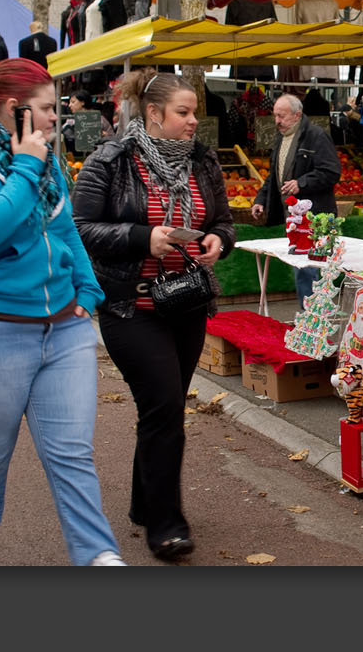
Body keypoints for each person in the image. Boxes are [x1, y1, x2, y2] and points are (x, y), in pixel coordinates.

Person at [0, 57, 125, 566]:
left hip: (63, 330)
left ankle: (97, 554)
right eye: (43, 108)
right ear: (11, 110)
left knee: (72, 453)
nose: (54, 117)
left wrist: (87, 292)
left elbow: (62, 230)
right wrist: (26, 165)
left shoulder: (46, 161)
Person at [73, 70, 237, 560]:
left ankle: (147, 504)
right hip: (130, 306)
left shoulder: (204, 162)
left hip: (185, 301)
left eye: (194, 113)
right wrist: (142, 238)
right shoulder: (112, 159)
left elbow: (224, 221)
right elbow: (80, 227)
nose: (192, 123)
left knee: (162, 409)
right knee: (164, 405)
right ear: (153, 113)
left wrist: (217, 242)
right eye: (183, 113)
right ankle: (167, 525)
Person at [249, 92, 341, 303]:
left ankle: (313, 319)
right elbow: (275, 175)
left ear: (297, 115)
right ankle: (310, 316)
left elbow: (332, 171)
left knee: (310, 270)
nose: (277, 121)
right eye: (275, 116)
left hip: (317, 217)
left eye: (281, 116)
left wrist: (302, 183)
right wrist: (261, 199)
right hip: (295, 218)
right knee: (302, 269)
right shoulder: (282, 138)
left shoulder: (316, 136)